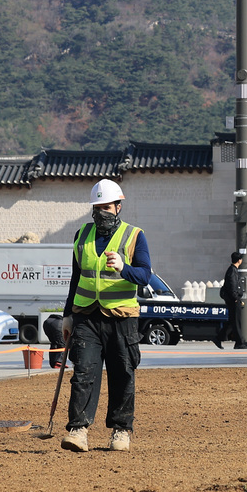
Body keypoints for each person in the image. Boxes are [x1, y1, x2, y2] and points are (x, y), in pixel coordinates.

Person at [59, 179, 151, 454]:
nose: (101, 212)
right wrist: (67, 316)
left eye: (107, 207)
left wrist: (124, 268)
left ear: (118, 207)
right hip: (87, 316)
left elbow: (145, 276)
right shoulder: (82, 235)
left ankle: (121, 431)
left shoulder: (135, 236)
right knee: (84, 372)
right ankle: (79, 430)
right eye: (97, 207)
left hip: (122, 318)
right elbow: (76, 278)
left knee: (123, 373)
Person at [214, 252, 247, 350]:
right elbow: (232, 287)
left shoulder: (233, 270)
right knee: (236, 321)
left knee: (232, 321)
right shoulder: (232, 271)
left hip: (233, 299)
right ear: (239, 260)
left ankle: (219, 338)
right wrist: (236, 299)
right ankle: (239, 343)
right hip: (233, 300)